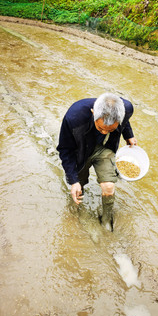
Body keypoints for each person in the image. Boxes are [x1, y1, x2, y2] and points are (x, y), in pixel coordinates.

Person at [57, 92, 137, 231]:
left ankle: (106, 219)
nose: (104, 133)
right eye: (100, 128)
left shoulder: (127, 108)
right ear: (93, 113)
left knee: (109, 187)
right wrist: (73, 180)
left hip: (104, 149)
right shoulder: (74, 117)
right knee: (78, 187)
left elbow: (125, 121)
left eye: (110, 129)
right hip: (80, 151)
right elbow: (65, 150)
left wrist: (128, 135)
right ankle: (78, 210)